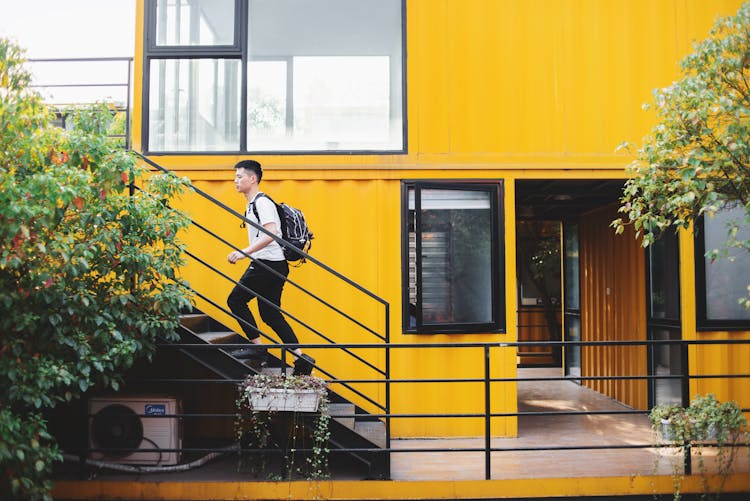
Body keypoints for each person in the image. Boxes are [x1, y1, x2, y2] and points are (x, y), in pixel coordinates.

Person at [226, 159, 315, 375]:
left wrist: (244, 252)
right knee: (270, 314)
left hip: (267, 263)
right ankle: (301, 358)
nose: (235, 180)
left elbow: (272, 233)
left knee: (235, 300)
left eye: (240, 176)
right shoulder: (252, 204)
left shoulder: (261, 202)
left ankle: (258, 349)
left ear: (253, 178)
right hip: (275, 264)